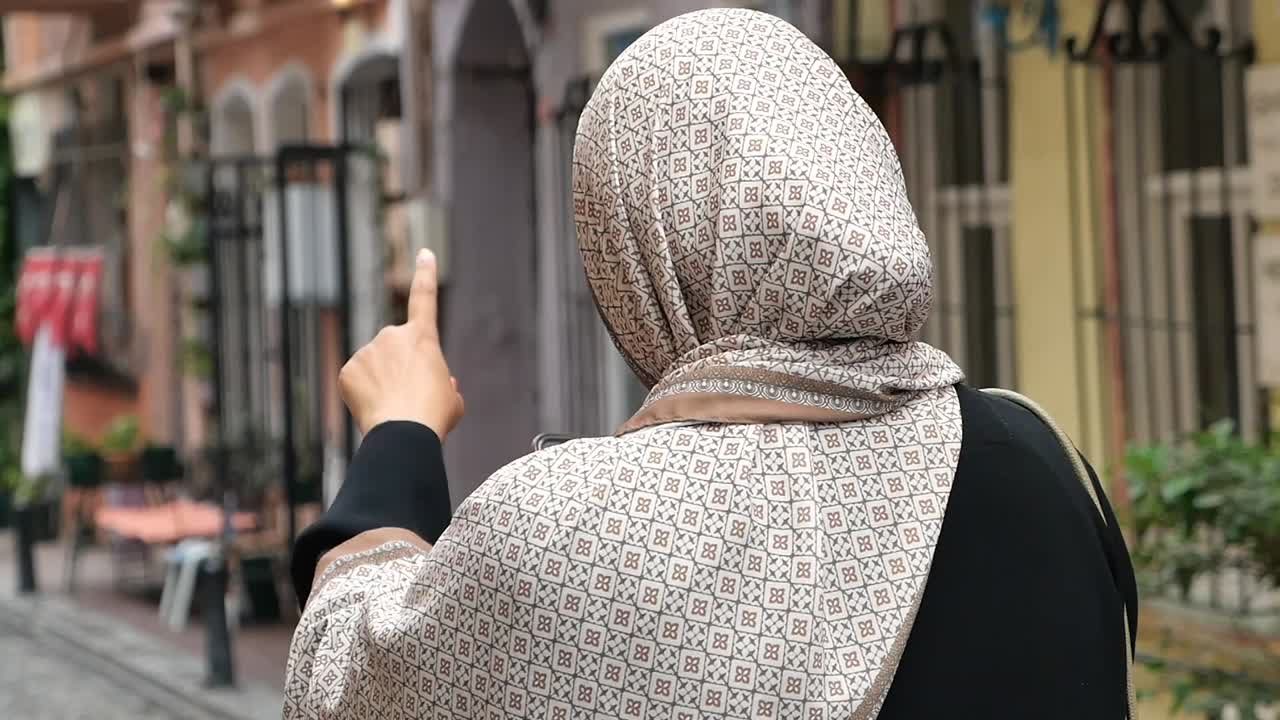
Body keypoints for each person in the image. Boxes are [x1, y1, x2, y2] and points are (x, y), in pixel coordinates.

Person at [284, 9, 1137, 719]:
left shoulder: (571, 527)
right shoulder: (1048, 465)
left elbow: (345, 687)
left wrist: (398, 434)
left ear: (637, 248)